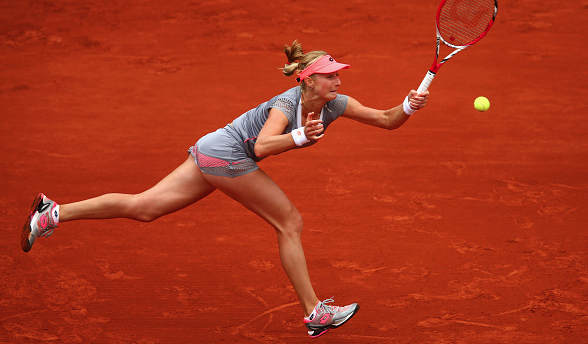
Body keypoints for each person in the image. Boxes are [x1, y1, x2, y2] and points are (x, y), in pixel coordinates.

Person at [21, 40, 429, 338]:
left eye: (339, 74)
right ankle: (315, 312)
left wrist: (408, 106)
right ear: (308, 81)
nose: (339, 80)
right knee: (289, 222)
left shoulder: (336, 103)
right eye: (331, 75)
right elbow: (262, 145)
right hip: (229, 155)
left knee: (145, 207)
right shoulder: (286, 107)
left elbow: (387, 119)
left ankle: (53, 213)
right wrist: (301, 136)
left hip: (213, 148)